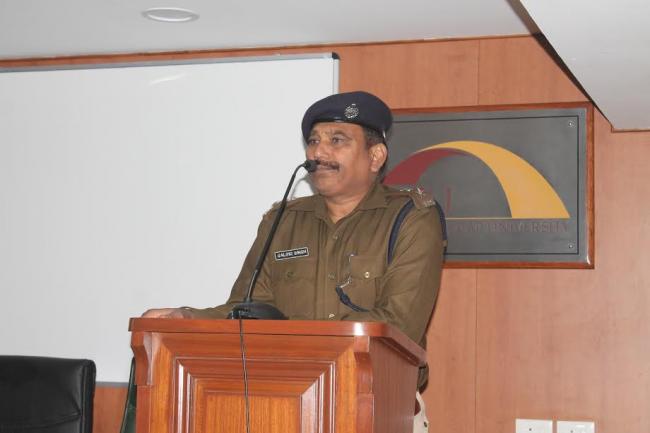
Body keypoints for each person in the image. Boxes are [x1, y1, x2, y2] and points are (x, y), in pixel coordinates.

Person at [143, 91, 444, 433]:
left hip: (378, 404)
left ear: (375, 156)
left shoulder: (411, 218)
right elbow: (247, 313)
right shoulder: (282, 221)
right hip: (282, 406)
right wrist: (186, 318)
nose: (318, 152)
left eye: (337, 140)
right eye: (313, 141)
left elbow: (399, 325)